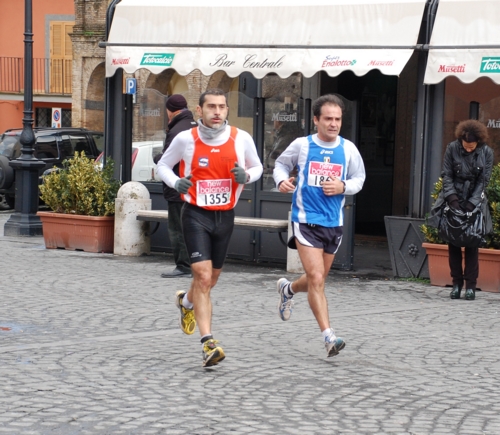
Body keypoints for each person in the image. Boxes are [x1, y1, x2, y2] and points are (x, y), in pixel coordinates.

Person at [157, 88, 263, 367]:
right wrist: (175, 182)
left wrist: (247, 175)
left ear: (227, 110)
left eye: (222, 107)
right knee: (203, 277)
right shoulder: (185, 138)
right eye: (211, 107)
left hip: (225, 216)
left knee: (211, 280)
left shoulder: (241, 138)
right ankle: (208, 343)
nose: (217, 111)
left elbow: (258, 167)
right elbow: (163, 166)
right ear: (200, 110)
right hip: (194, 214)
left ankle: (186, 302)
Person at [273, 94, 366, 358]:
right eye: (328, 119)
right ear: (316, 120)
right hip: (305, 220)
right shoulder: (302, 145)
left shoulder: (348, 149)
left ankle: (287, 289)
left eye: (337, 119)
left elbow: (360, 178)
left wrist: (343, 186)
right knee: (316, 278)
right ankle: (329, 337)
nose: (333, 124)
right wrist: (282, 181)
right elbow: (280, 164)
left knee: (318, 279)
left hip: (333, 223)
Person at [440, 120, 493, 301]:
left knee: (472, 243)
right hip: (454, 198)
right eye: (466, 146)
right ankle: (456, 284)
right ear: (461, 140)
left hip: (474, 201)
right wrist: (452, 199)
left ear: (478, 142)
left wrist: (472, 203)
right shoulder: (452, 148)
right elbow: (447, 175)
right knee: (453, 243)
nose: (469, 149)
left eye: (472, 147)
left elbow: (483, 180)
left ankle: (470, 286)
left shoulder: (486, 152)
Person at [154, 94, 197, 278]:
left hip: (177, 187)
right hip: (194, 187)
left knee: (178, 228)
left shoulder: (177, 129)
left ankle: (184, 266)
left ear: (170, 110)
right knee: (192, 227)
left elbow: (169, 160)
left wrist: (157, 158)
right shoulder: (195, 125)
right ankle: (196, 264)